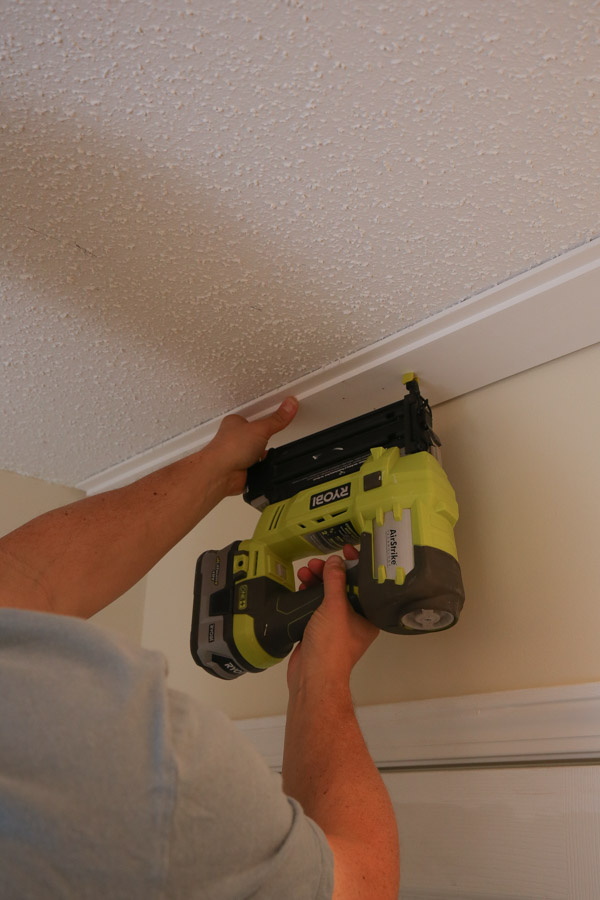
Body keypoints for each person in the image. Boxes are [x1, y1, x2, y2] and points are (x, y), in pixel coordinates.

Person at [0, 397, 400, 899]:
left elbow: (25, 582)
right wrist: (321, 673)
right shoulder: (136, 778)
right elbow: (360, 885)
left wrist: (215, 470)